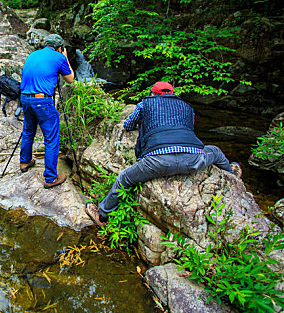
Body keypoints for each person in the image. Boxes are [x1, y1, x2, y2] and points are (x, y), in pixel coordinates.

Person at [85, 81, 242, 227]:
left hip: (157, 161)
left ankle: (103, 216)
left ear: (153, 94)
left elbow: (128, 124)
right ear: (171, 94)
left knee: (124, 179)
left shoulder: (145, 103)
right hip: (193, 159)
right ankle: (230, 173)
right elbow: (189, 129)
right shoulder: (186, 106)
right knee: (214, 151)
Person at [19, 34, 75, 189]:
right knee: (51, 138)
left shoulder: (33, 54)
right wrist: (65, 57)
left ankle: (24, 161)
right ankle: (50, 178)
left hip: (25, 97)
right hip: (42, 101)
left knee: (28, 130)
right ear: (59, 47)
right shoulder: (59, 57)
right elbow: (70, 78)